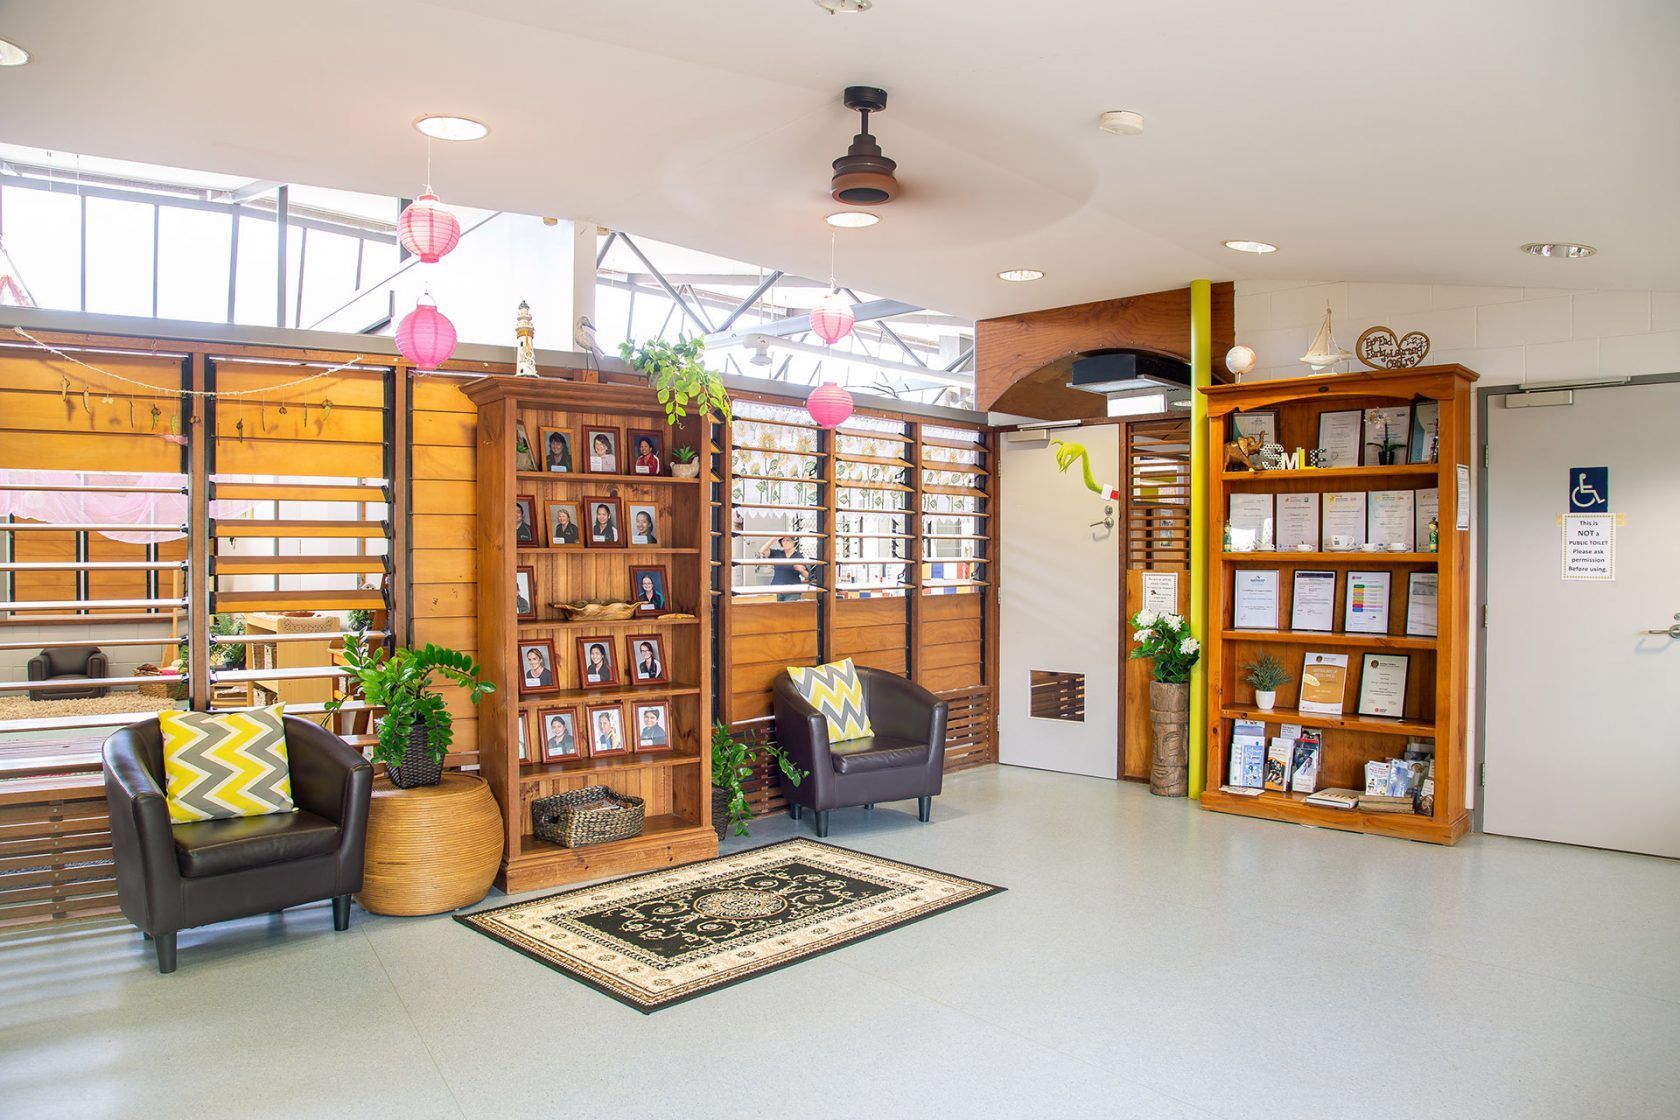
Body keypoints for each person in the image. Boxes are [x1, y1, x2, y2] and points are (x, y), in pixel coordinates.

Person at [760, 535, 810, 602]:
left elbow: (807, 576)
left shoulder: (798, 556)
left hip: (793, 591)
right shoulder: (777, 553)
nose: (785, 542)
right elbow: (762, 551)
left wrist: (801, 570)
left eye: (788, 540)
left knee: (788, 610)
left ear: (793, 542)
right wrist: (773, 539)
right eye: (783, 540)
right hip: (776, 589)